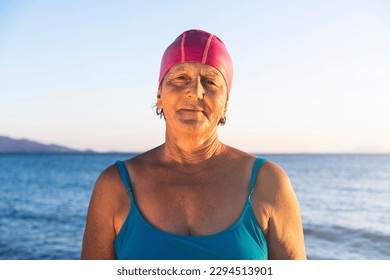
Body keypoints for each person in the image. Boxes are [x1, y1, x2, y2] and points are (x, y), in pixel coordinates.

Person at [80, 29, 306, 260]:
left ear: (226, 103)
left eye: (210, 82)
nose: (195, 92)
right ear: (159, 94)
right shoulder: (115, 186)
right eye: (180, 78)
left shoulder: (267, 183)